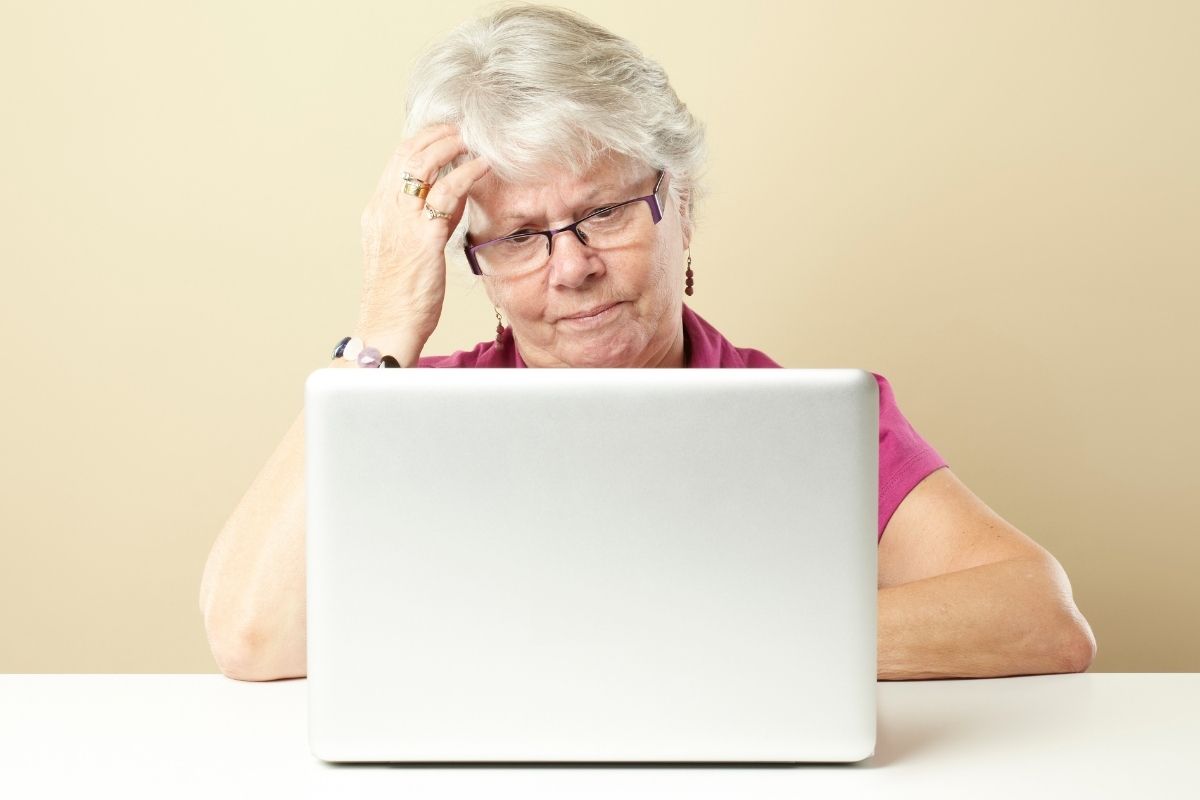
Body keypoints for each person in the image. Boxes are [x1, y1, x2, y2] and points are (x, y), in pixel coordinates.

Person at [199, 3, 1096, 682]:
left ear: (683, 208)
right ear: (473, 261)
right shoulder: (402, 410)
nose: (572, 267)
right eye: (519, 237)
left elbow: (1038, 617)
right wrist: (384, 325)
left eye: (604, 213)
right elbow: (251, 636)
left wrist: (662, 640)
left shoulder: (806, 420)